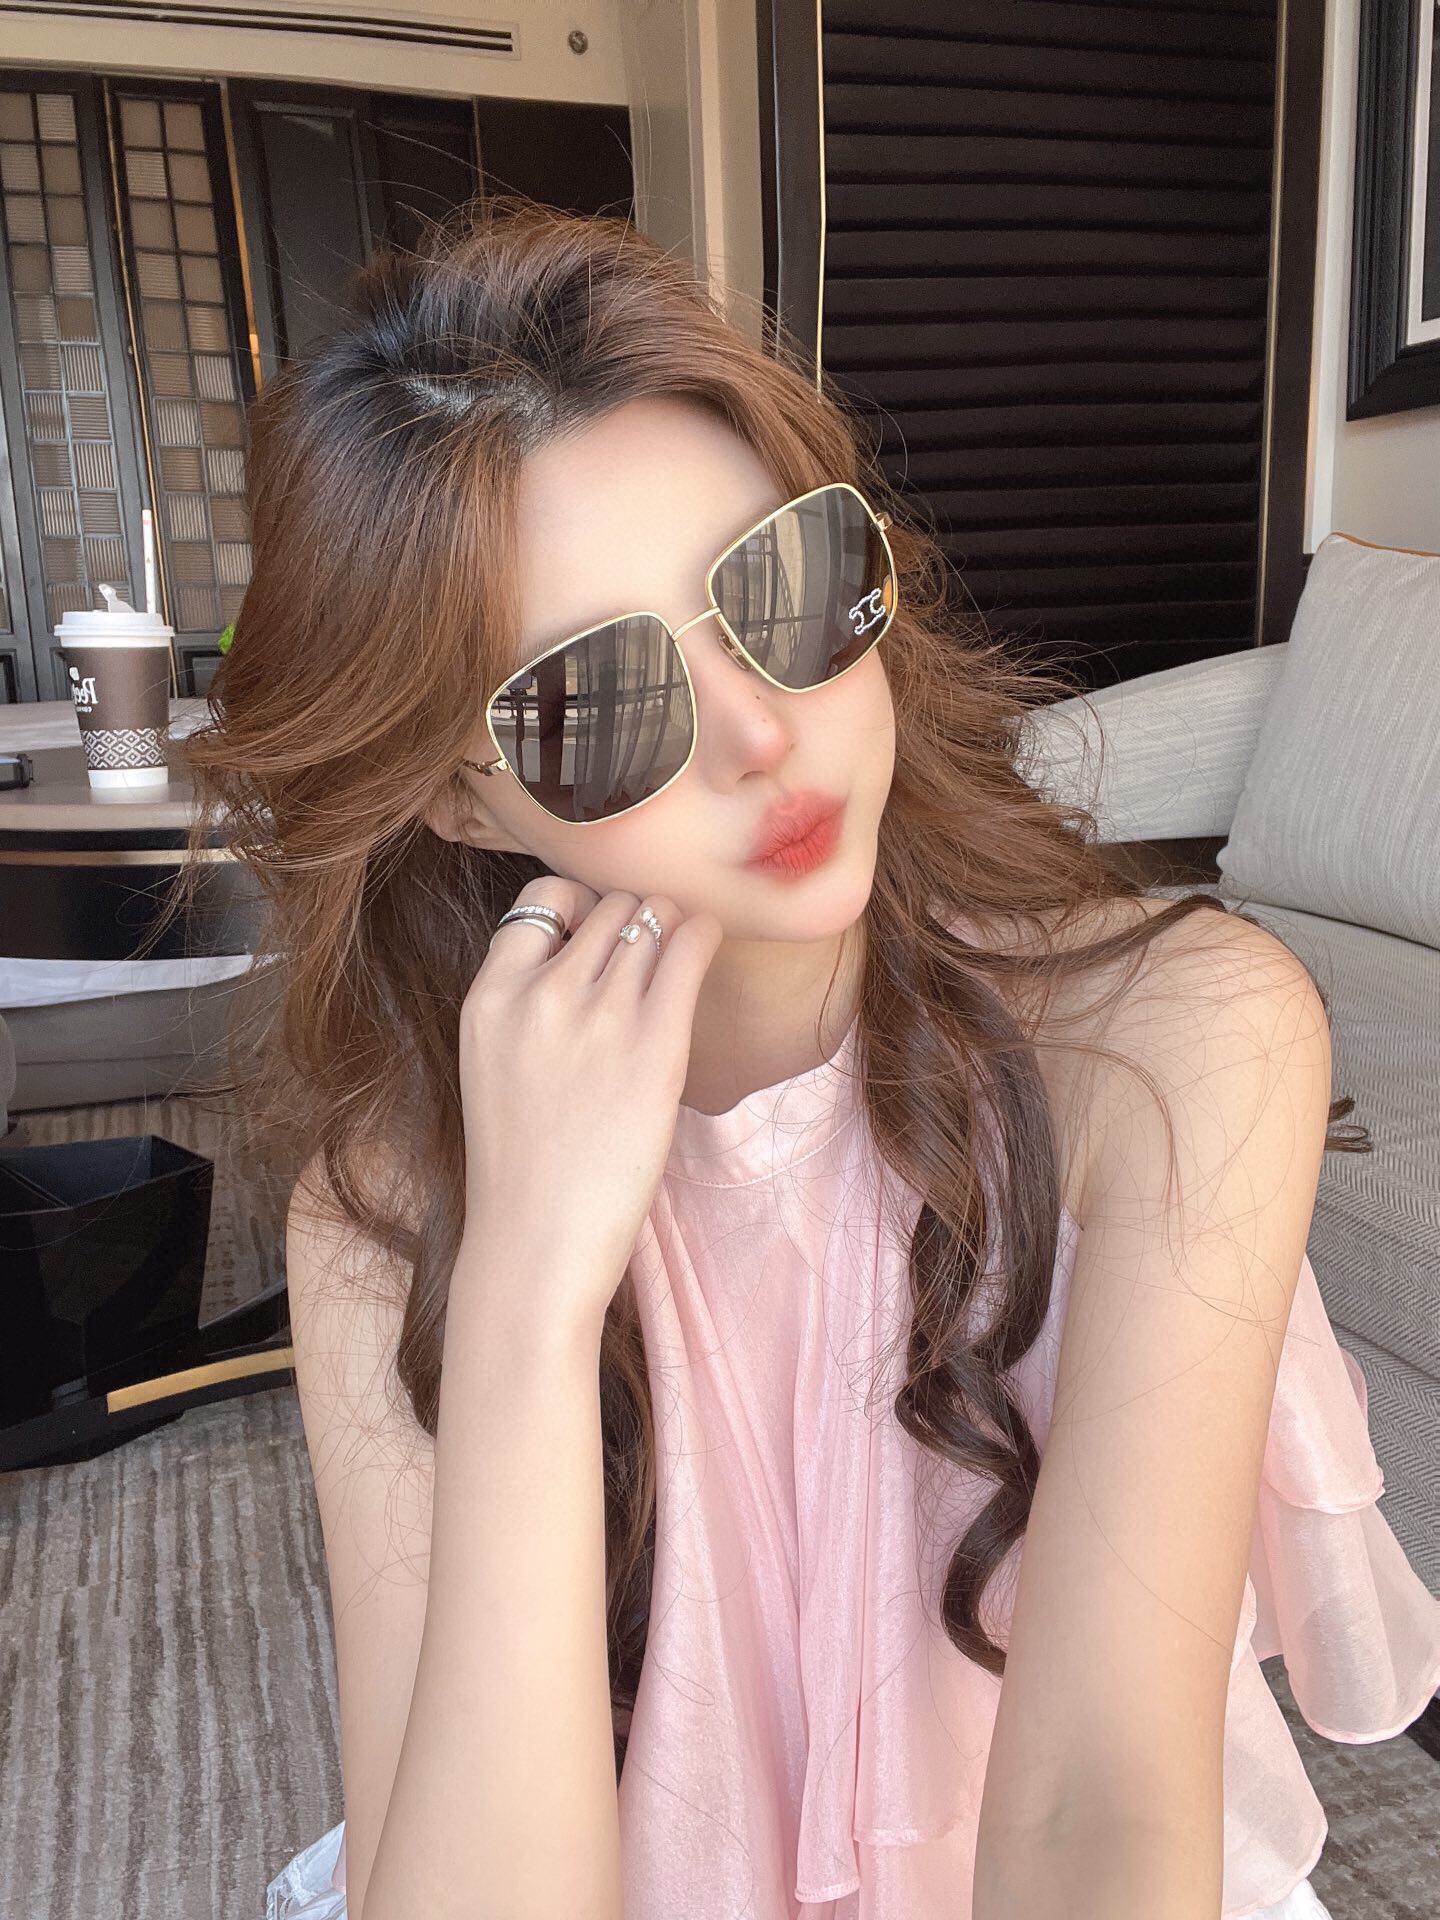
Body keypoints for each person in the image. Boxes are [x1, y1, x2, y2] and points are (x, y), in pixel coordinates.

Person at [173, 195, 1440, 1920]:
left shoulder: (1174, 1047)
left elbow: (1094, 1814)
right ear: (459, 795)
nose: (764, 734)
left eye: (785, 586)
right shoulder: (385, 1204)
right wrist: (529, 1297)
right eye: (598, 699)